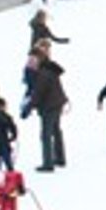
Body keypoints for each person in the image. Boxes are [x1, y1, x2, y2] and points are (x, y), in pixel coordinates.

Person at [29, 45, 68, 173]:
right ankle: (60, 158)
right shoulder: (48, 69)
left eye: (32, 59)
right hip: (57, 103)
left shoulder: (43, 74)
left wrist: (28, 108)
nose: (30, 62)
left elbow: (38, 93)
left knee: (46, 134)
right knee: (56, 131)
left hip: (49, 106)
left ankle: (48, 163)